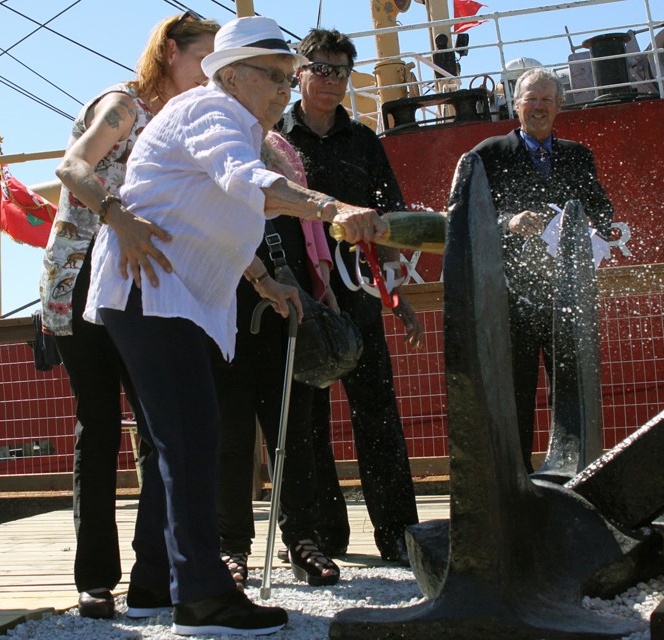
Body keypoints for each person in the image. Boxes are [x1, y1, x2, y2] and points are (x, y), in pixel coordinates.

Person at [82, 16, 386, 636]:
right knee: (192, 442)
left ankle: (155, 591)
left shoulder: (233, 123)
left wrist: (264, 279)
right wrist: (330, 207)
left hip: (169, 297)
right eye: (273, 77)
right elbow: (246, 184)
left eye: (286, 77)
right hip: (153, 296)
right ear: (233, 73)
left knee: (187, 440)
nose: (284, 89)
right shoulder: (213, 112)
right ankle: (201, 598)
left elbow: (230, 203)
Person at [39, 11, 220, 619]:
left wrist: (259, 276)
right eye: (205, 57)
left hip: (146, 283)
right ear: (171, 50)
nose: (212, 73)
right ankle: (95, 578)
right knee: (99, 426)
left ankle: (153, 575)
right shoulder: (123, 105)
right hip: (87, 272)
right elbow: (72, 166)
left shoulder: (185, 121)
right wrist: (116, 214)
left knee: (161, 427)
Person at [278, 28, 422, 567]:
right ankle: (325, 539)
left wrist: (397, 298)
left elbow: (390, 227)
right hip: (303, 300)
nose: (331, 80)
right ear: (300, 71)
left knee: (379, 414)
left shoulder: (364, 142)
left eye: (340, 71)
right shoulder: (274, 138)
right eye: (321, 68)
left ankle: (399, 537)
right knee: (310, 422)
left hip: (360, 297)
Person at [470, 67, 614, 472]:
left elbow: (603, 210)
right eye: (530, 99)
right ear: (515, 105)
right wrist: (509, 223)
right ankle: (514, 478)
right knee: (513, 393)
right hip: (511, 298)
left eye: (546, 100)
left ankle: (575, 475)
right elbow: (467, 216)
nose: (538, 107)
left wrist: (589, 225)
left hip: (568, 298)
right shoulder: (487, 155)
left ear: (559, 106)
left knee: (572, 390)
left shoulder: (578, 156)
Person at [214, 131, 340, 589]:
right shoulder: (215, 151)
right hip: (227, 318)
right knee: (230, 440)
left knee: (294, 435)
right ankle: (231, 545)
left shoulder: (280, 151)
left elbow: (310, 231)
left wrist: (323, 286)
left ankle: (302, 538)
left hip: (289, 315)